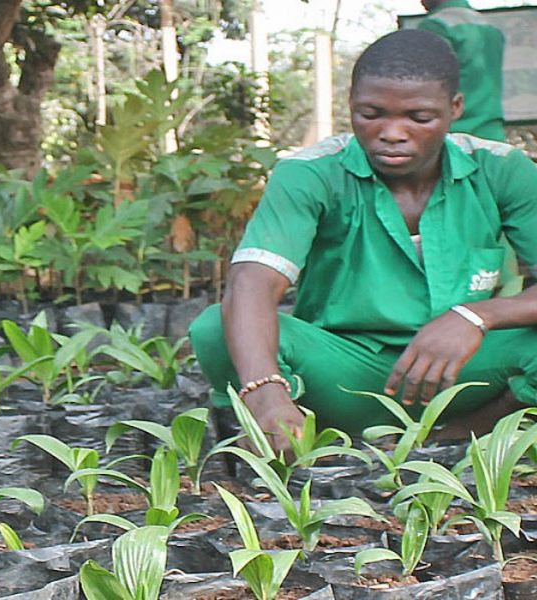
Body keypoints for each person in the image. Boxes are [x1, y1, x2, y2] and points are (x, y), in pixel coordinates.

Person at [187, 29, 537, 453]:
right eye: (371, 113)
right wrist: (266, 392)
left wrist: (476, 315)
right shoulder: (312, 173)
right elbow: (253, 280)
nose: (392, 132)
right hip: (342, 374)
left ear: (455, 109)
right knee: (214, 327)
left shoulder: (500, 169)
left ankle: (464, 434)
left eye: (419, 118)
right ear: (349, 105)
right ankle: (288, 432)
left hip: (465, 372)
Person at [418, 0, 506, 142]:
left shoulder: (435, 25)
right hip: (491, 130)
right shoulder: (491, 27)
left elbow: (424, 85)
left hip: (452, 131)